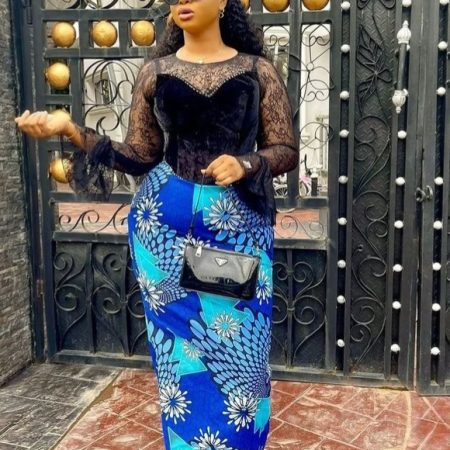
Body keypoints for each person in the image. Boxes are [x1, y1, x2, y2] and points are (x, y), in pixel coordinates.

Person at [15, 0, 298, 447]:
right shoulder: (156, 73)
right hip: (163, 231)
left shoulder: (257, 71)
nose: (183, 0)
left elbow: (285, 148)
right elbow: (139, 154)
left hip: (236, 229)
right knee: (179, 363)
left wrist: (246, 163)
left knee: (242, 357)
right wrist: (70, 129)